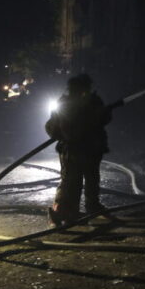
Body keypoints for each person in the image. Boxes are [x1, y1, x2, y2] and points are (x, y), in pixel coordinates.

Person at [45, 74, 113, 224]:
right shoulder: (89, 101)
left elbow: (52, 126)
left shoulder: (84, 102)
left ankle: (80, 209)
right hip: (80, 149)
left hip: (83, 149)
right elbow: (53, 126)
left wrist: (104, 112)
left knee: (78, 180)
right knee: (75, 180)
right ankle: (66, 211)